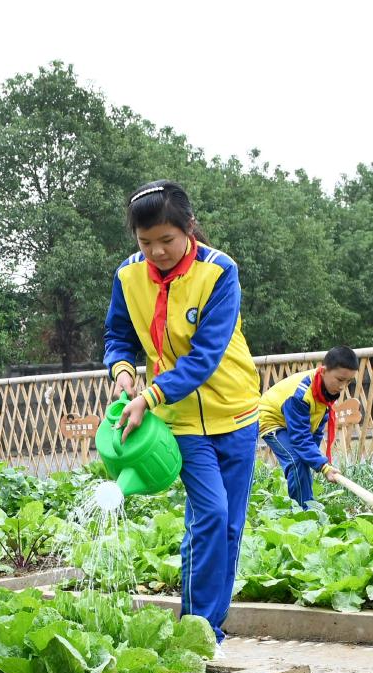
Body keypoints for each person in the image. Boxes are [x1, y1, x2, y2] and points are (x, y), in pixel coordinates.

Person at [103, 180, 260, 641]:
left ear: (189, 229)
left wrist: (149, 395)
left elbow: (205, 355)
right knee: (208, 514)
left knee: (229, 525)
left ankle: (212, 627)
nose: (156, 252)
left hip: (236, 411)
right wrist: (124, 375)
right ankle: (196, 628)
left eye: (166, 241)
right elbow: (120, 338)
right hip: (181, 419)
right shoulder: (128, 276)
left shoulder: (219, 272)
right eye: (145, 242)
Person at [259, 346, 359, 509]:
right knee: (296, 460)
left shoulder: (325, 389)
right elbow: (299, 438)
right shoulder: (301, 394)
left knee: (304, 458)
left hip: (289, 421)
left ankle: (307, 502)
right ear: (324, 370)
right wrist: (323, 466)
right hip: (271, 419)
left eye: (348, 382)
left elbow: (316, 426)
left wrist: (314, 458)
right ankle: (304, 512)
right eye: (340, 380)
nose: (343, 387)